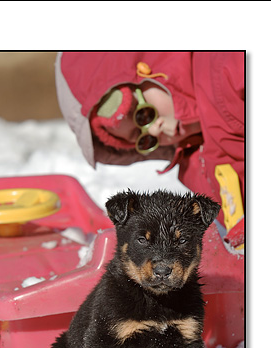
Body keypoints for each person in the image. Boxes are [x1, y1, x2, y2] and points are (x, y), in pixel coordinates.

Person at [55, 51, 244, 231]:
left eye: (144, 114)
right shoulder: (198, 168)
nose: (156, 130)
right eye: (144, 139)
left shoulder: (226, 67)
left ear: (148, 70)